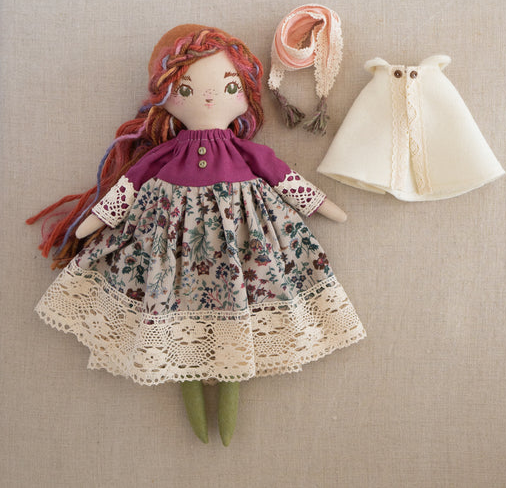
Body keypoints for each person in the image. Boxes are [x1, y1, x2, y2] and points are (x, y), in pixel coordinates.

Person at [28, 25, 366, 445]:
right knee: (172, 310)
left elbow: (282, 177)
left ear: (244, 94)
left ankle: (227, 395)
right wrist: (96, 219)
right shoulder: (164, 154)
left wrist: (320, 204)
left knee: (240, 307)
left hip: (243, 243)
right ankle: (189, 381)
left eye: (228, 87)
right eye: (186, 91)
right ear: (167, 97)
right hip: (171, 246)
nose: (208, 98)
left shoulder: (246, 152)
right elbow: (129, 185)